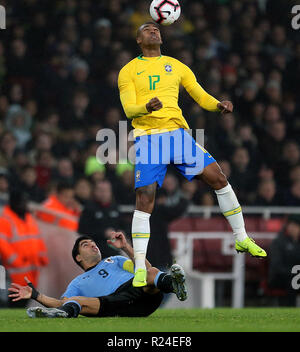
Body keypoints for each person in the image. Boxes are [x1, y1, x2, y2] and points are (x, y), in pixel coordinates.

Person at [118, 21, 266, 287]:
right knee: (145, 198)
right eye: (147, 29)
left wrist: (217, 104)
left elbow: (200, 94)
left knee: (218, 178)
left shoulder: (177, 66)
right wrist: (146, 107)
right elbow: (129, 109)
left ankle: (242, 237)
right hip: (149, 137)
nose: (154, 31)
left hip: (177, 135)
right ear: (138, 40)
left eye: (156, 28)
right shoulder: (128, 71)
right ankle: (140, 266)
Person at [8, 231, 187, 318]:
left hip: (141, 293)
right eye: (86, 244)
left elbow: (144, 268)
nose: (93, 244)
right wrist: (35, 295)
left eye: (93, 242)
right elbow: (61, 301)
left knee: (152, 272)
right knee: (74, 301)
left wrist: (125, 247)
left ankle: (174, 285)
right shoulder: (77, 282)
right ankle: (59, 315)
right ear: (78, 257)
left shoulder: (115, 260)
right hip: (114, 304)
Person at [0, 189, 48, 306]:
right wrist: (15, 260)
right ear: (14, 203)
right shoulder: (5, 219)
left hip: (31, 270)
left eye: (26, 201)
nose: (25, 204)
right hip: (13, 272)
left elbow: (38, 238)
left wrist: (43, 257)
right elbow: (2, 243)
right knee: (13, 301)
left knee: (25, 300)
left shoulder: (29, 218)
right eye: (22, 202)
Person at [268, 215, 300, 306]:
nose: (293, 228)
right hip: (279, 278)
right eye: (291, 225)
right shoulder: (278, 242)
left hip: (296, 276)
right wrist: (294, 273)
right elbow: (277, 266)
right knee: (292, 283)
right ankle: (289, 309)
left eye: (296, 226)